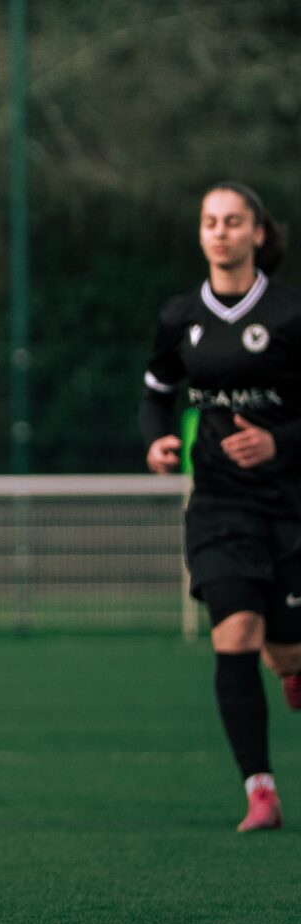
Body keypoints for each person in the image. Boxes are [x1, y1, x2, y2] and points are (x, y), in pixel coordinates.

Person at [141, 181, 301, 833]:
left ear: (257, 233)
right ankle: (260, 790)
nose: (220, 232)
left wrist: (278, 442)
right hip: (218, 505)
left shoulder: (290, 314)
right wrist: (155, 437)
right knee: (235, 634)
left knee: (285, 652)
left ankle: (291, 667)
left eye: (233, 221)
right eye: (210, 221)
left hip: (289, 507)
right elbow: (157, 390)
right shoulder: (180, 316)